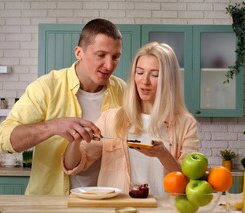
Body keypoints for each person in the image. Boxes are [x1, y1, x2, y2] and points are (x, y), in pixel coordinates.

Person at [0, 18, 126, 195]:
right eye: (101, 55)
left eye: (115, 57)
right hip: (51, 205)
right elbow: (4, 140)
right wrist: (53, 126)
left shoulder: (123, 91)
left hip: (107, 203)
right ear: (79, 52)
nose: (109, 65)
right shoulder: (46, 87)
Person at [62, 42, 199, 196]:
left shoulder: (186, 124)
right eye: (139, 72)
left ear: (169, 79)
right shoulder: (111, 118)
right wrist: (75, 140)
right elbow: (73, 165)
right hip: (118, 211)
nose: (144, 81)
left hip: (164, 212)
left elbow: (188, 182)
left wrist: (163, 154)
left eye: (155, 75)